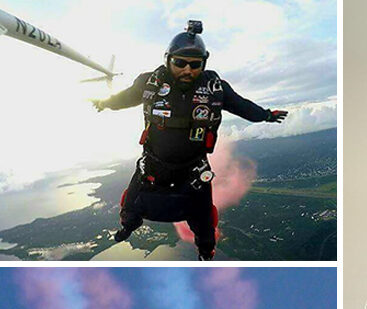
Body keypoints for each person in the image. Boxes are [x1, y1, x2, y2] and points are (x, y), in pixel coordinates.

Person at [92, 20, 288, 260]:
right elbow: (125, 98)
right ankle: (127, 228)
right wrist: (104, 103)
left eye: (196, 65)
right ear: (168, 59)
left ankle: (206, 252)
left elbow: (241, 105)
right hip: (153, 165)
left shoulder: (214, 87)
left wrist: (266, 115)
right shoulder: (150, 83)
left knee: (204, 220)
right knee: (131, 207)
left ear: (204, 64)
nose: (188, 70)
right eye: (180, 63)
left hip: (193, 169)